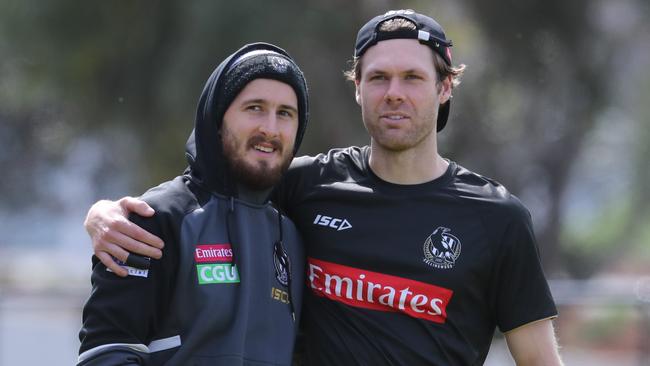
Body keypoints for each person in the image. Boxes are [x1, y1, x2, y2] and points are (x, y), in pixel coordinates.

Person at [84, 10, 563, 365]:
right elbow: (210, 188)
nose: (393, 92)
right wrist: (105, 214)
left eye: (413, 77)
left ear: (444, 89)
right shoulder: (304, 186)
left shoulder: (497, 218)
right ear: (357, 88)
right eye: (378, 78)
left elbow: (539, 361)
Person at [78, 42, 309, 365]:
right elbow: (105, 354)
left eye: (285, 113)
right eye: (254, 108)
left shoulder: (295, 234)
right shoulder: (152, 220)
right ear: (216, 119)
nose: (270, 128)